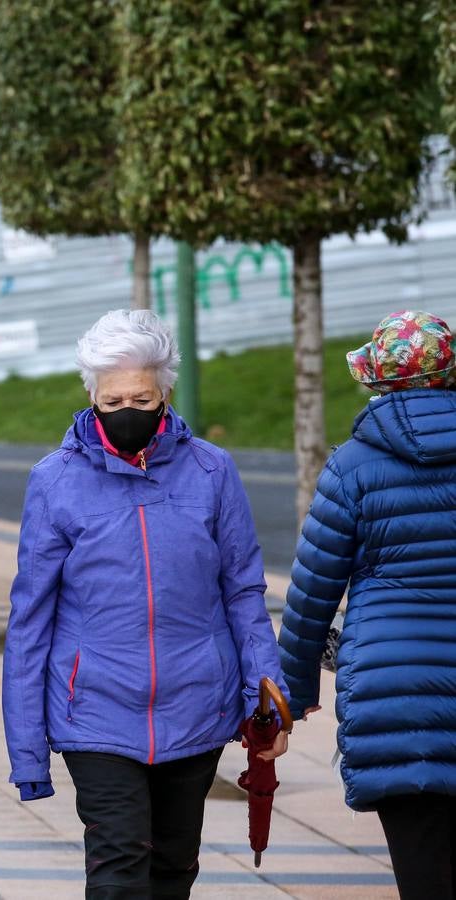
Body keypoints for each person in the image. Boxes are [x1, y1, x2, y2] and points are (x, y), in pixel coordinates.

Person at [3, 309, 288, 900]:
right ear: (91, 396)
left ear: (165, 392)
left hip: (196, 706)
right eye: (112, 401)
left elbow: (242, 591)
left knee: (174, 868)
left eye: (142, 396)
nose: (127, 411)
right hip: (97, 713)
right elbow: (30, 619)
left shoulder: (212, 470)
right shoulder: (55, 481)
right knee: (118, 867)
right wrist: (27, 749)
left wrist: (267, 699)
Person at [279, 311, 456, 899]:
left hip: (394, 699)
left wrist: (296, 690)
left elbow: (311, 596)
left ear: (378, 380)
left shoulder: (352, 467)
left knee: (423, 869)